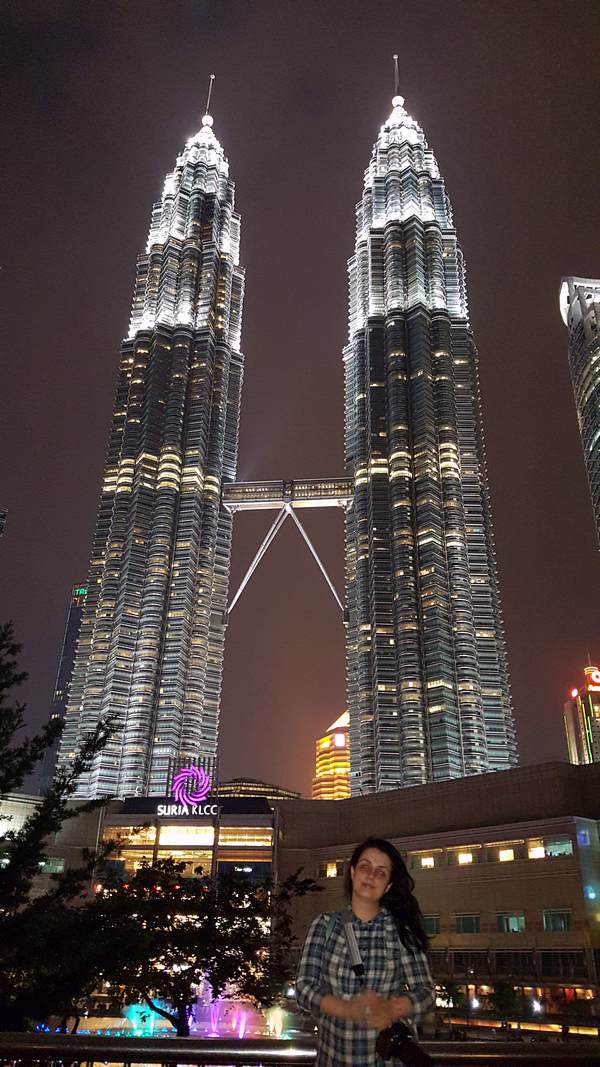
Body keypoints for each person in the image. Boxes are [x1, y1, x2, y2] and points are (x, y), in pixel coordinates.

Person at [296, 836, 434, 1065]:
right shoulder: (325, 925)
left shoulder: (399, 929)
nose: (371, 875)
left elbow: (427, 993)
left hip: (384, 1060)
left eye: (381, 872)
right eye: (365, 867)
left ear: (388, 885)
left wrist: (391, 1008)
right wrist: (346, 1008)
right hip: (333, 1058)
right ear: (352, 873)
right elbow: (303, 988)